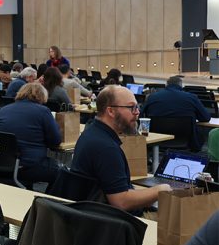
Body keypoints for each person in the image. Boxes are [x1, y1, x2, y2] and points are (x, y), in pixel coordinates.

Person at [71, 85, 172, 213]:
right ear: (111, 111)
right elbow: (121, 201)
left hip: (91, 214)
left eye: (137, 107)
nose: (137, 112)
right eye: (131, 107)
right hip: (111, 222)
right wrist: (160, 189)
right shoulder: (106, 147)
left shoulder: (91, 133)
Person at [0, 83, 62, 187]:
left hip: (1, 165)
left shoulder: (3, 110)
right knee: (62, 172)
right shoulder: (43, 111)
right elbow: (56, 141)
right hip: (28, 166)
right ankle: (47, 201)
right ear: (42, 96)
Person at [141, 76, 211, 151]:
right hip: (186, 140)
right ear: (181, 85)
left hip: (157, 140)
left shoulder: (152, 97)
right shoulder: (192, 97)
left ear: (166, 85)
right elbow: (206, 117)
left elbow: (141, 115)